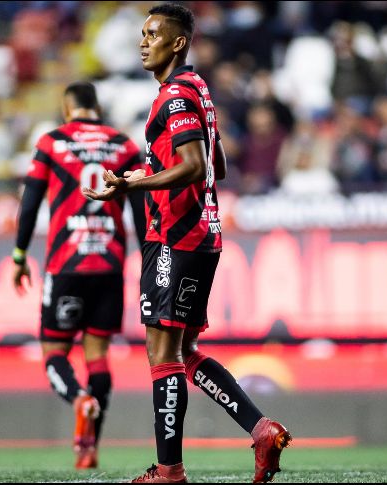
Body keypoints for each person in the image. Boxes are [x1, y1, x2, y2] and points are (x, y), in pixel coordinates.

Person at [82, 4, 291, 483]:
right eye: (142, 32)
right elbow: (215, 160)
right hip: (201, 235)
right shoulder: (198, 89)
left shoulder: (175, 95)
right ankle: (260, 429)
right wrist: (154, 175)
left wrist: (134, 184)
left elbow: (197, 166)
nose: (143, 41)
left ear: (178, 43)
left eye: (153, 33)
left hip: (175, 238)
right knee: (185, 348)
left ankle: (170, 471)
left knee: (162, 353)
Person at [12, 81, 146, 469]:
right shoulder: (125, 145)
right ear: (97, 107)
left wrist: (20, 254)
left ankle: (78, 399)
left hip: (66, 264)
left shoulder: (52, 142)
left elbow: (31, 203)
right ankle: (89, 449)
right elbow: (139, 212)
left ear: (66, 107)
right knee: (99, 356)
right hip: (109, 264)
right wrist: (144, 259)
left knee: (55, 352)